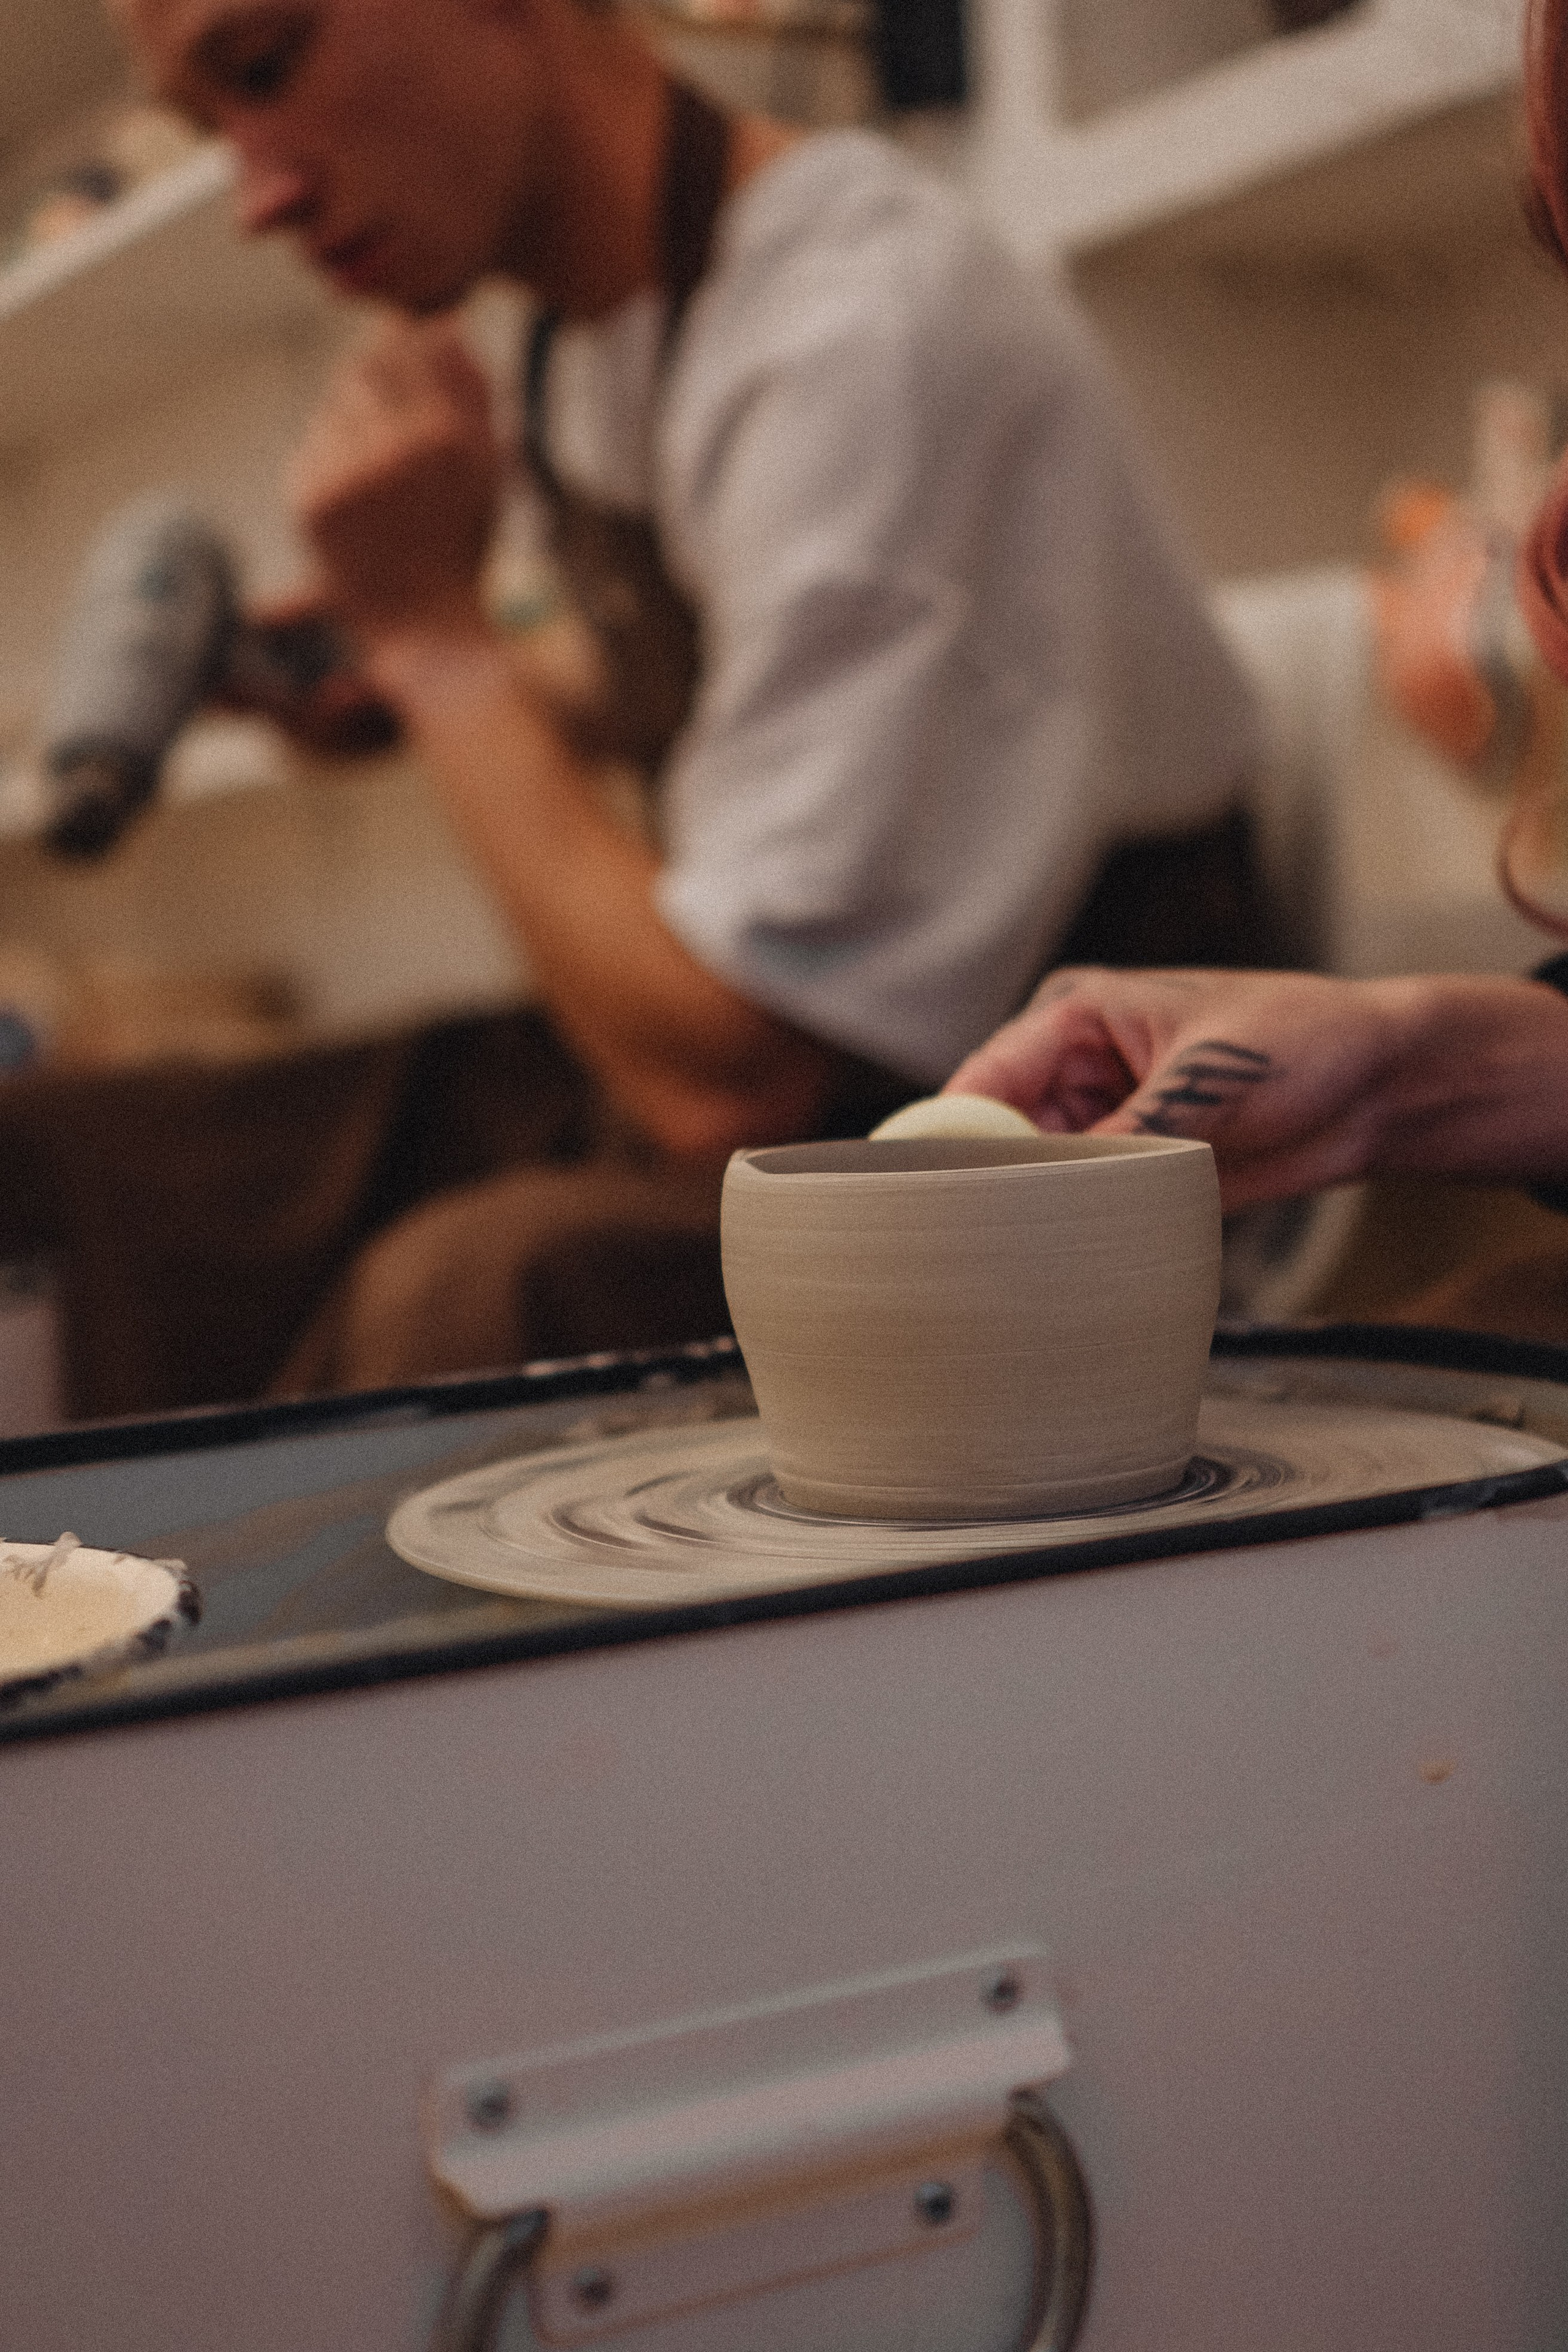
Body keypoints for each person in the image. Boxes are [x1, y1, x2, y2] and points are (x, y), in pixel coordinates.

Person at [111, 0, 1260, 1387]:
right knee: (120, 1163)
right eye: (208, 124)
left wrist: (436, 642)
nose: (256, 195)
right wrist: (415, 678)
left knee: (469, 1289)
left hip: (1005, 1111)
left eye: (265, 66)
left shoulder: (856, 331)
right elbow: (716, 676)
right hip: (798, 1041)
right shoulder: (591, 334)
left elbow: (727, 1081)